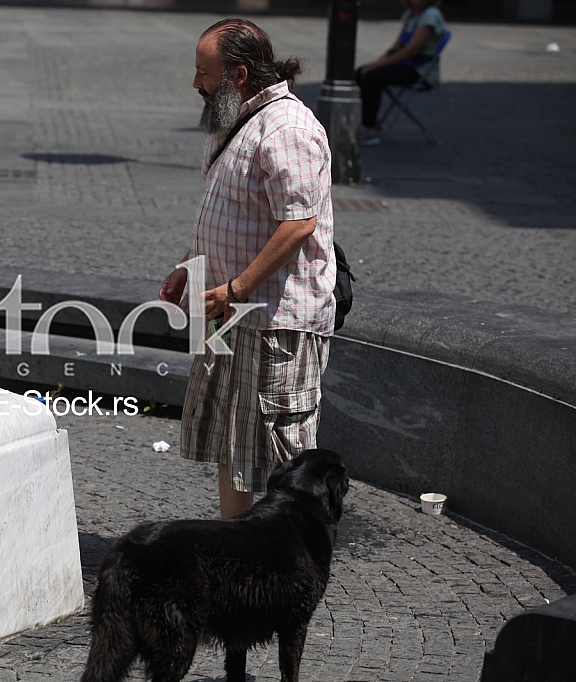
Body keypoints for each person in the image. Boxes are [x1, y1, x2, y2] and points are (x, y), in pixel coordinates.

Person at [158, 18, 336, 520]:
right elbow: (233, 215)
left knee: (284, 451)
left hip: (274, 318)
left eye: (203, 71)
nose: (195, 82)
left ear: (238, 75)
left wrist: (236, 287)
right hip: (233, 314)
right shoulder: (241, 119)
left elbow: (299, 224)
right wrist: (191, 269)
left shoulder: (289, 128)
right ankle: (235, 543)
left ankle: (295, 555)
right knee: (231, 443)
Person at [356, 0, 447, 142]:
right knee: (361, 73)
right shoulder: (410, 14)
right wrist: (375, 64)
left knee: (372, 77)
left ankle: (369, 127)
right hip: (405, 64)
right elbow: (396, 47)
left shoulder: (431, 15)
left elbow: (411, 50)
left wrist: (375, 67)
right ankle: (367, 120)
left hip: (420, 71)